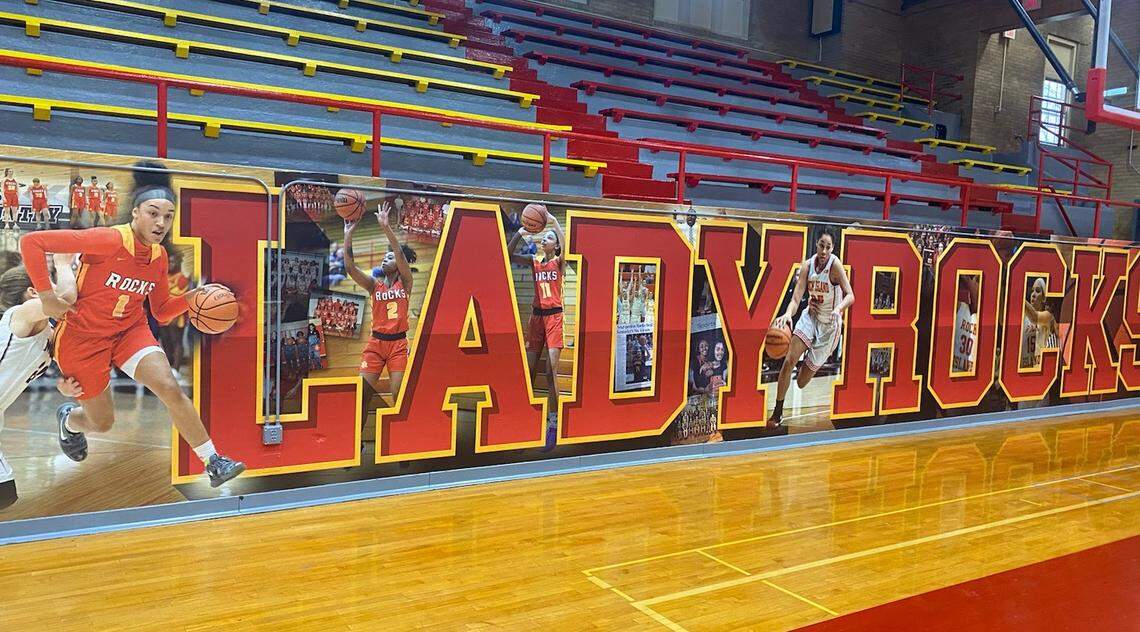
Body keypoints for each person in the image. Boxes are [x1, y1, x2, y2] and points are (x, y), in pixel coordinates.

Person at [18, 160, 245, 487]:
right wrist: (45, 295)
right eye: (153, 213)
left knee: (169, 387)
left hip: (129, 331)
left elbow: (164, 311)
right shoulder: (108, 239)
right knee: (102, 423)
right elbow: (33, 243)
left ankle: (213, 460)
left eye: (168, 216)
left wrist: (193, 297)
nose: (161, 222)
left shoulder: (159, 257)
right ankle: (70, 421)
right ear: (136, 213)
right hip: (83, 338)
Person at [0, 258, 84, 510]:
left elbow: (64, 373)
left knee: (5, 494)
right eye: (51, 282)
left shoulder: (49, 332)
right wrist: (62, 262)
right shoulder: (21, 314)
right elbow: (67, 298)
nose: (57, 285)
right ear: (34, 292)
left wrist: (65, 386)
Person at [343, 200, 417, 437]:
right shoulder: (374, 286)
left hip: (398, 344)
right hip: (376, 344)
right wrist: (347, 235)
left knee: (399, 396)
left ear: (398, 263)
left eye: (390, 257)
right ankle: (356, 442)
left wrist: (386, 227)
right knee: (361, 396)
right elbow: (350, 268)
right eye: (383, 257)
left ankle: (402, 442)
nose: (385, 260)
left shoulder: (405, 283)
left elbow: (398, 253)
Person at [769, 232, 855, 426]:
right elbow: (796, 298)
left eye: (828, 247)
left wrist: (838, 309)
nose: (824, 250)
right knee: (789, 359)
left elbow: (851, 295)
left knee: (801, 382)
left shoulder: (835, 266)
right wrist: (788, 315)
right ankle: (777, 412)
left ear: (832, 248)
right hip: (811, 317)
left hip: (829, 328)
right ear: (816, 244)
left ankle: (809, 359)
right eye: (821, 245)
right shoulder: (807, 266)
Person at [507, 204, 565, 451]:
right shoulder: (534, 262)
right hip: (536, 319)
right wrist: (520, 233)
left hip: (554, 319)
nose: (545, 240)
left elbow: (567, 244)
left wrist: (553, 222)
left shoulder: (559, 263)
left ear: (555, 245)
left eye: (549, 238)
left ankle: (553, 425)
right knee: (526, 374)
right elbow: (508, 255)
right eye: (545, 237)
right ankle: (524, 424)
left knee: (550, 374)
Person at [157, 250, 190, 375]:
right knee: (165, 341)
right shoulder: (163, 275)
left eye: (172, 262)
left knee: (176, 340)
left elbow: (177, 295)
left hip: (176, 315)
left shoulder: (182, 277)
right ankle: (170, 367)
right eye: (168, 262)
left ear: (178, 263)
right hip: (162, 314)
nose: (170, 264)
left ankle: (176, 369)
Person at [1021, 277, 1059, 370]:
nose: (1033, 295)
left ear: (1044, 298)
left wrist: (1017, 293)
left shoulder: (1049, 316)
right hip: (1027, 368)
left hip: (1045, 370)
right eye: (1032, 291)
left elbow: (1035, 317)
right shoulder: (1023, 317)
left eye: (1037, 291)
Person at [2, 168, 24, 233]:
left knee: (14, 211)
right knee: (7, 211)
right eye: (9, 171)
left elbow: (18, 189)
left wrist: (18, 197)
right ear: (7, 172)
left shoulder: (15, 180)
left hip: (14, 196)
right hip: (7, 195)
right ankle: (6, 224)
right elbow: (2, 189)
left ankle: (15, 224)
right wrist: (3, 197)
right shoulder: (4, 180)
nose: (11, 172)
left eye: (12, 171)